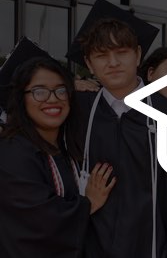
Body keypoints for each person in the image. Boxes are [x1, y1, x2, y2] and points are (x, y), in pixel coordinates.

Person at [66, 0, 167, 258]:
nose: (113, 62)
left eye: (121, 52)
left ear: (139, 55)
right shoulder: (78, 113)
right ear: (88, 64)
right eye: (101, 55)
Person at [0, 55, 115, 257]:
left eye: (61, 90)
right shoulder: (12, 152)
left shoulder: (70, 147)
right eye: (39, 91)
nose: (53, 99)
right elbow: (39, 219)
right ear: (21, 98)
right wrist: (89, 204)